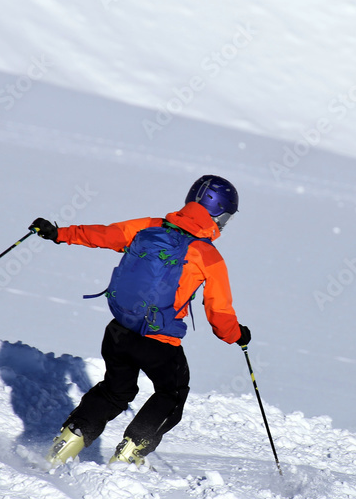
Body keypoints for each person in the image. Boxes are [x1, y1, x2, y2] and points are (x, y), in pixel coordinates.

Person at [31, 175, 250, 467]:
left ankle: (67, 442)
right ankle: (130, 453)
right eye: (226, 218)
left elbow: (105, 235)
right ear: (217, 213)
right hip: (160, 343)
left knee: (115, 391)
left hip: (119, 332)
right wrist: (238, 336)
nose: (224, 225)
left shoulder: (150, 227)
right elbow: (220, 315)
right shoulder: (207, 255)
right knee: (171, 394)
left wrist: (59, 233)